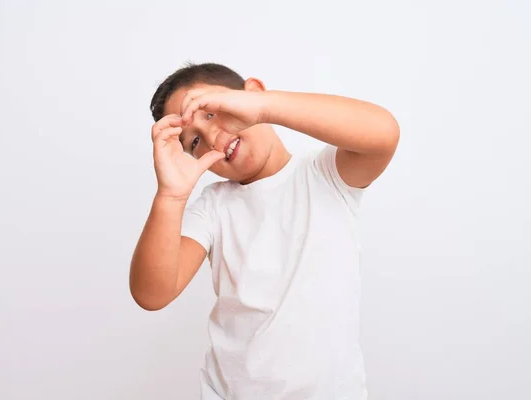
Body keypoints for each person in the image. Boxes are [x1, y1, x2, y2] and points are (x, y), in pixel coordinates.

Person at [130, 62, 399, 399]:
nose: (212, 138)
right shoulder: (214, 207)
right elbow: (152, 294)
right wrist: (170, 195)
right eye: (194, 141)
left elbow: (383, 134)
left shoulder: (326, 176)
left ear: (250, 94)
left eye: (211, 113)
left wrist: (264, 106)